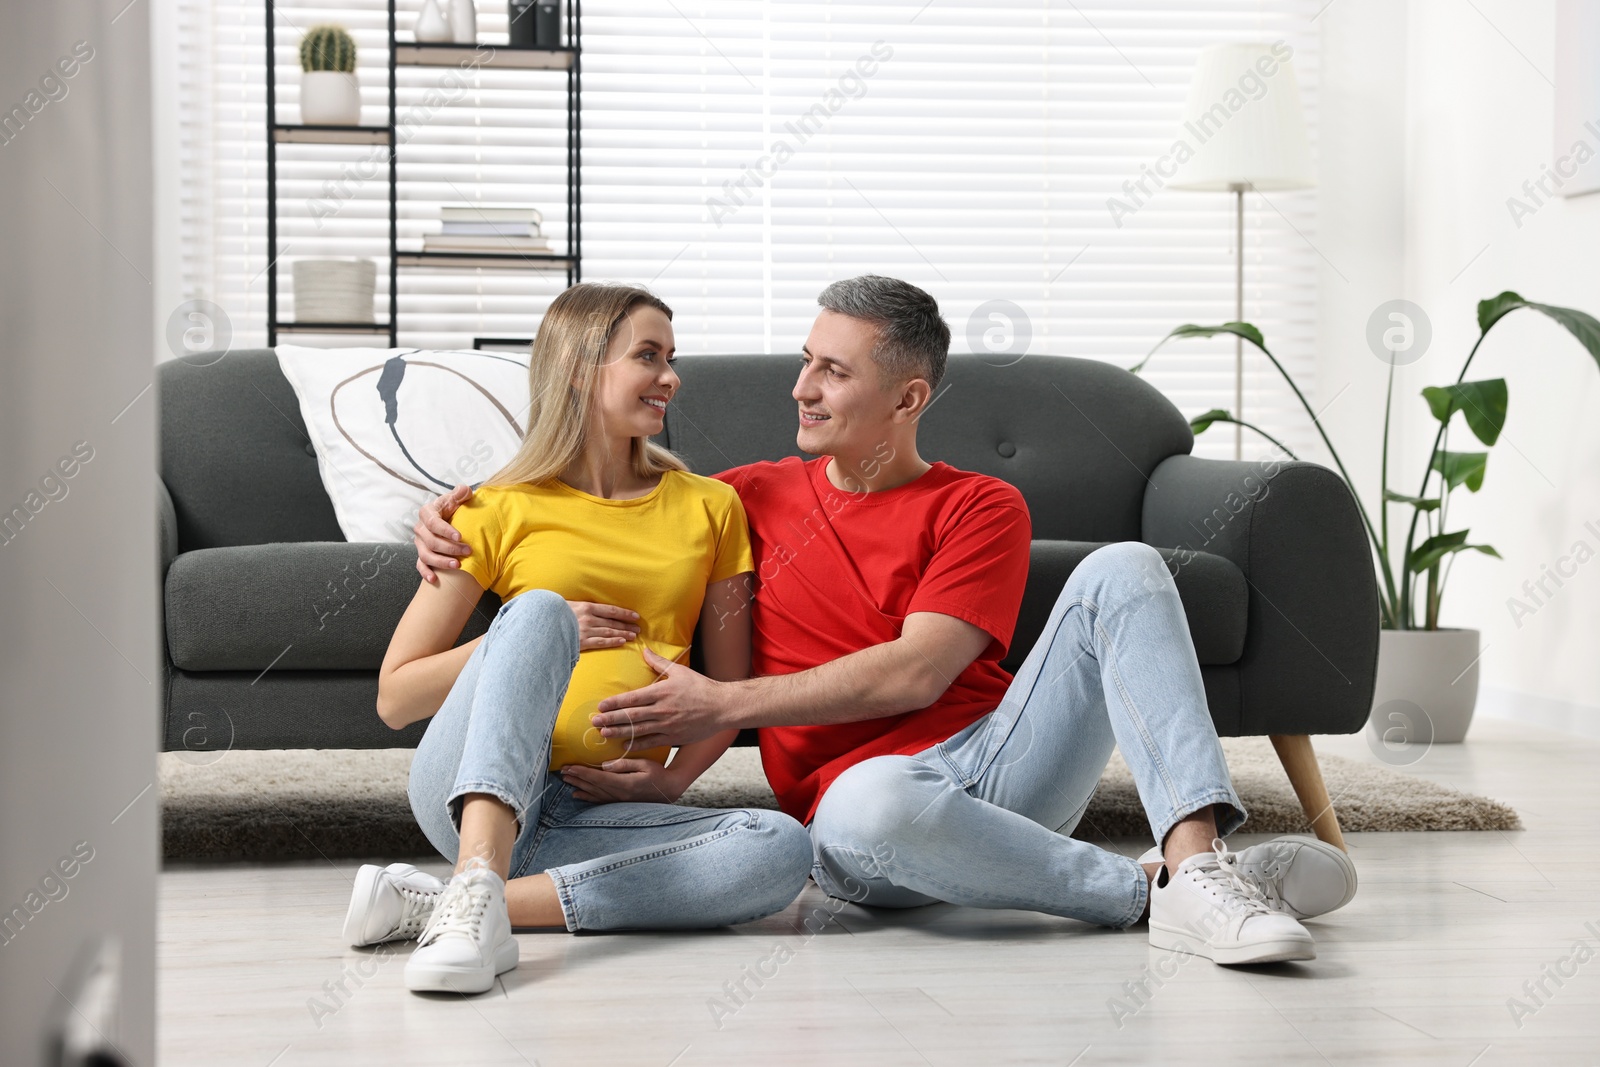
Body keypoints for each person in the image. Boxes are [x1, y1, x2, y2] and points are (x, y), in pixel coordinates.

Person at [413, 275, 1358, 968]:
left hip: (1002, 765)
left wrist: (719, 704)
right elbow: (598, 506)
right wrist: (436, 519)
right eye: (804, 363)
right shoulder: (738, 500)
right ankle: (1158, 891)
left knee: (1126, 566)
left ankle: (1193, 859)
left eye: (832, 371)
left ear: (908, 398)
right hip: (866, 820)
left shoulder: (981, 505)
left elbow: (916, 674)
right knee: (862, 801)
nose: (802, 388)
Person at [347, 282, 813, 995]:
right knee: (536, 612)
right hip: (469, 795)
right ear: (578, 368)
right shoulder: (492, 509)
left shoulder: (710, 506)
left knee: (779, 848)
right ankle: (475, 874)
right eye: (648, 356)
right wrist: (537, 627)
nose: (671, 377)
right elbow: (394, 696)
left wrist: (673, 779)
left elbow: (726, 692)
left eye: (672, 357)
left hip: (600, 817)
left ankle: (461, 905)